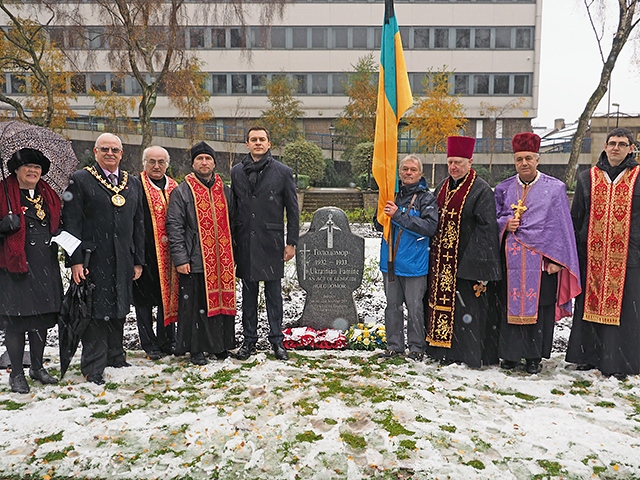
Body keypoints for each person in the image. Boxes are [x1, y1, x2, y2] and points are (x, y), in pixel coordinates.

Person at [494, 132, 581, 374]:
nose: (524, 163)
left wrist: (557, 261)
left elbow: (562, 228)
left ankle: (534, 357)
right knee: (509, 307)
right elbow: (495, 219)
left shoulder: (554, 189)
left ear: (538, 159)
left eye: (529, 158)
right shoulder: (503, 189)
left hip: (542, 263)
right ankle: (510, 356)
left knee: (540, 308)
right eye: (519, 158)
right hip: (511, 262)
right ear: (514, 160)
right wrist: (504, 225)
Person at [62, 133, 145, 385]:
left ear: (122, 154)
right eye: (105, 149)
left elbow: (138, 224)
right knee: (95, 311)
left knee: (119, 307)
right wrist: (75, 260)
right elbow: (71, 223)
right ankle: (93, 365)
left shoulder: (132, 182)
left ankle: (115, 355)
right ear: (95, 152)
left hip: (123, 257)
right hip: (92, 258)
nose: (110, 153)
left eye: (115, 150)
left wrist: (138, 259)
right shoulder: (81, 180)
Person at [566, 127, 640, 379]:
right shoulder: (588, 177)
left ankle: (619, 360)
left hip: (629, 256)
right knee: (589, 306)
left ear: (631, 148)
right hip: (593, 256)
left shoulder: (638, 177)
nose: (616, 148)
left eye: (622, 143)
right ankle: (587, 356)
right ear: (605, 146)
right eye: (612, 143)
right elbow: (577, 217)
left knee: (626, 310)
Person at [426, 136, 501, 368]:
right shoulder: (442, 186)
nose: (453, 167)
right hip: (440, 263)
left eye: (458, 162)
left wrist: (475, 264)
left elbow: (487, 228)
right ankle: (441, 351)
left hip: (465, 264)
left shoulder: (481, 190)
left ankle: (466, 353)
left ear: (470, 161)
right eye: (450, 162)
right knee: (441, 308)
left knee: (467, 310)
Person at [230, 126, 299, 361]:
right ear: (247, 144)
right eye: (253, 139)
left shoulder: (282, 172)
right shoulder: (236, 172)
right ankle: (249, 341)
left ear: (269, 144)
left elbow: (293, 210)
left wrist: (292, 242)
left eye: (262, 139)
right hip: (246, 242)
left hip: (272, 242)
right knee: (248, 297)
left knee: (273, 295)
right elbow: (235, 208)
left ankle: (277, 341)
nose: (258, 143)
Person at [166, 141, 236, 365]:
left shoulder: (224, 190)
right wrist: (181, 258)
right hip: (195, 259)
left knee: (220, 304)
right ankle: (196, 348)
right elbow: (174, 227)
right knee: (196, 307)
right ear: (193, 163)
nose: (204, 162)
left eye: (208, 158)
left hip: (221, 259)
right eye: (199, 159)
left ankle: (219, 345)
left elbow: (234, 222)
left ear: (214, 162)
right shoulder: (182, 190)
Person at [0, 149, 62, 393]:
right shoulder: (3, 192)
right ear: (16, 170)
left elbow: (59, 222)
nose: (33, 171)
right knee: (16, 321)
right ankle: (16, 373)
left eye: (37, 168)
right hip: (14, 268)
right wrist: (3, 226)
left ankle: (37, 366)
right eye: (27, 167)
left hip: (44, 265)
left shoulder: (48, 194)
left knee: (41, 319)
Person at [374, 155, 438, 361]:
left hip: (414, 265)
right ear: (399, 172)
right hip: (390, 262)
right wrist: (381, 211)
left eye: (413, 169)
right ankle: (394, 346)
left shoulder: (426, 199)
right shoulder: (390, 194)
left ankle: (417, 348)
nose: (408, 173)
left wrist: (398, 215)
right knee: (392, 307)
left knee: (415, 308)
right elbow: (377, 225)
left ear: (420, 174)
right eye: (405, 169)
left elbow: (429, 227)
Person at [133, 146, 178, 360]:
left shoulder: (174, 187)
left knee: (166, 299)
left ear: (167, 164)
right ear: (144, 163)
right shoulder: (135, 185)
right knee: (143, 302)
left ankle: (167, 339)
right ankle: (148, 342)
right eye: (152, 162)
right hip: (145, 252)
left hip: (170, 254)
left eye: (161, 162)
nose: (157, 166)